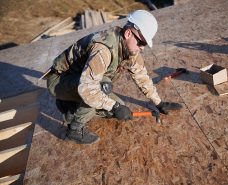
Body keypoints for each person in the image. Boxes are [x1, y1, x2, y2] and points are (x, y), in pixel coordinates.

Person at [45, 10, 182, 144]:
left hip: (81, 80)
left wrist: (158, 103)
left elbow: (141, 76)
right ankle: (74, 130)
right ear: (129, 33)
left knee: (116, 108)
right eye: (141, 43)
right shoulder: (103, 49)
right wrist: (114, 106)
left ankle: (69, 105)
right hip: (60, 81)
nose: (142, 48)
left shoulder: (129, 49)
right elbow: (88, 89)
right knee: (103, 90)